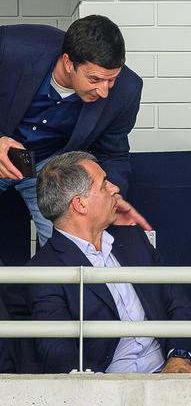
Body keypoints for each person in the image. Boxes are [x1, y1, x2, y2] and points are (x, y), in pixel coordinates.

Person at [27, 151, 191, 374]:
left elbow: (179, 303)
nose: (115, 188)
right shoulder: (43, 270)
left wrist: (179, 357)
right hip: (105, 384)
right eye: (104, 184)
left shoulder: (133, 239)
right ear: (80, 205)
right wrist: (100, 387)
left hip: (166, 373)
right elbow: (56, 350)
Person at [0, 15, 147, 245]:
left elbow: (112, 153)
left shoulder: (127, 90)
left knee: (75, 238)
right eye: (94, 79)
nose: (104, 91)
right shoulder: (12, 48)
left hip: (50, 166)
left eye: (111, 80)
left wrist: (111, 197)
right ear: (68, 63)